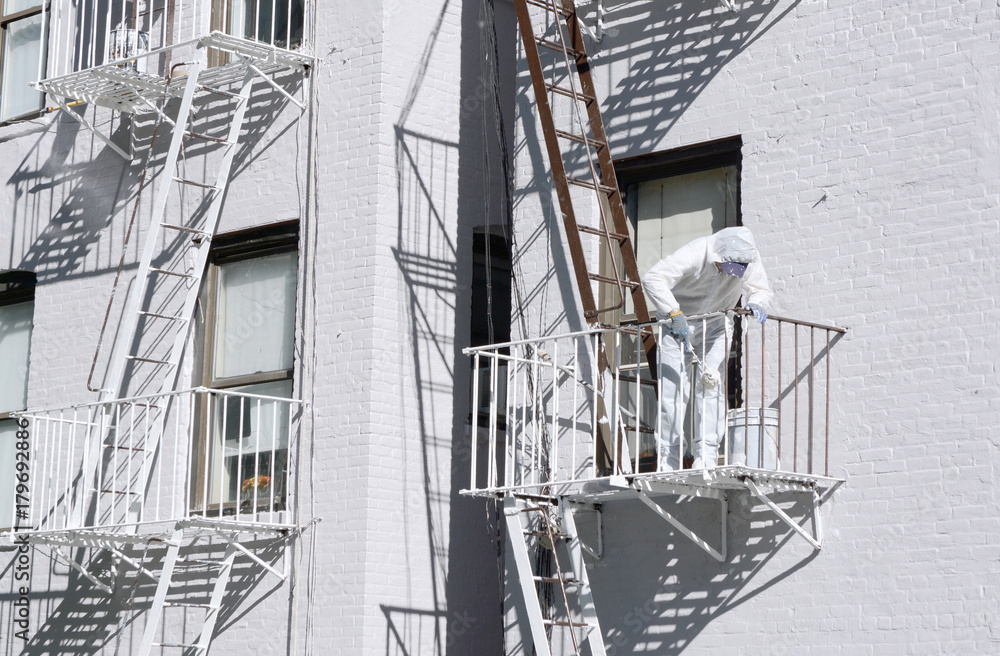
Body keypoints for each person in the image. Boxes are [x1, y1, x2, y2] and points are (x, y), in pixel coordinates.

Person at [640, 227, 773, 471]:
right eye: (730, 267)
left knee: (710, 385)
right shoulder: (696, 252)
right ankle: (668, 460)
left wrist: (756, 302)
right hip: (677, 323)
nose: (736, 273)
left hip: (716, 324)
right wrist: (673, 311)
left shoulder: (746, 257)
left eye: (740, 268)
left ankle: (706, 458)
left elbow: (759, 288)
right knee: (674, 391)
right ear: (718, 257)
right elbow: (653, 278)